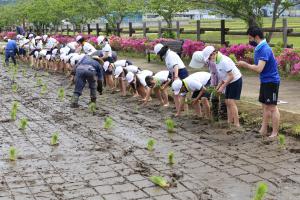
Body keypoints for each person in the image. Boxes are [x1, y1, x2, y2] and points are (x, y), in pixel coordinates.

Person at [237, 26, 280, 138]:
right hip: (265, 80)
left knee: (272, 107)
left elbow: (259, 68)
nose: (249, 41)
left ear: (256, 37)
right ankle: (263, 130)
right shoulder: (260, 48)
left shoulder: (264, 49)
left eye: (250, 38)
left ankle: (275, 133)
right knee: (265, 106)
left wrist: (245, 65)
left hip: (271, 81)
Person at [202, 46, 243, 127]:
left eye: (209, 58)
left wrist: (222, 87)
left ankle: (237, 124)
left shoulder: (224, 61)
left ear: (213, 54)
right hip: (228, 81)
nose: (209, 60)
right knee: (227, 102)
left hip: (235, 80)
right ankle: (229, 121)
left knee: (231, 101)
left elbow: (231, 76)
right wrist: (218, 87)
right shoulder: (217, 61)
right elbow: (223, 76)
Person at [154, 43, 189, 113]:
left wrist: (176, 77)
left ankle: (184, 110)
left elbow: (176, 66)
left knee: (182, 93)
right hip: (176, 73)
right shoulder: (167, 55)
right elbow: (171, 69)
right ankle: (179, 108)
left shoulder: (170, 55)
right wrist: (172, 78)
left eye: (158, 54)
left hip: (181, 72)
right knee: (176, 93)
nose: (158, 55)